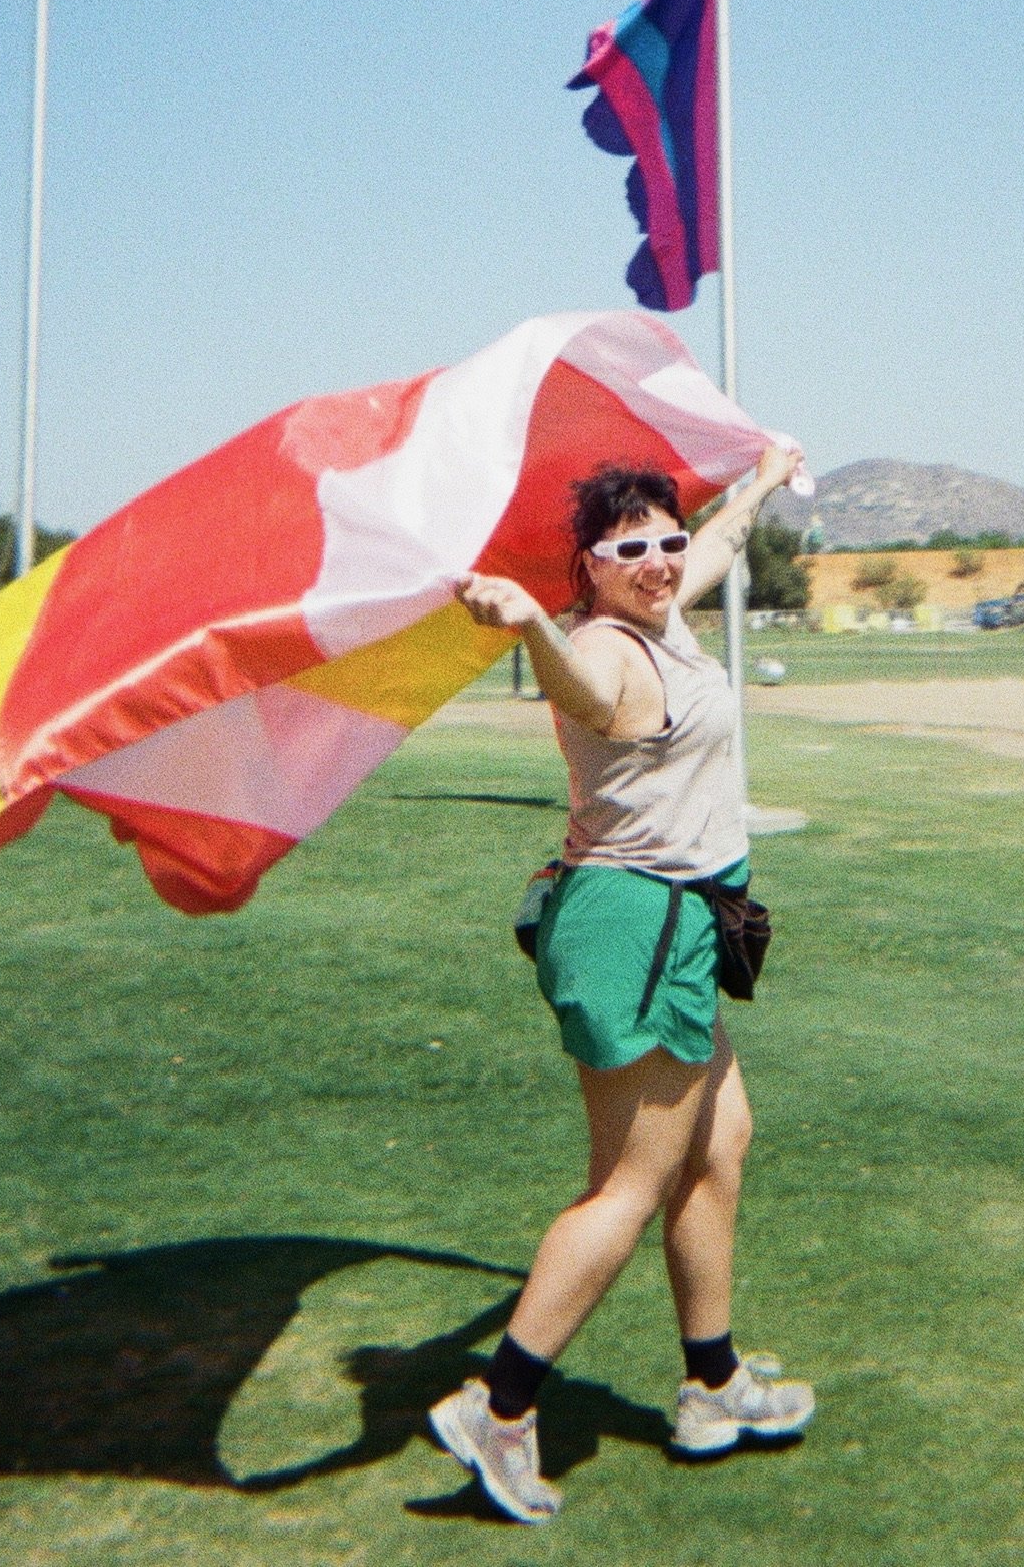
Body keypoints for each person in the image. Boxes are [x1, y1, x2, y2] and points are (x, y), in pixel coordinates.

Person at [427, 444, 815, 1522]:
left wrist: (763, 481)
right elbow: (588, 691)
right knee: (627, 1184)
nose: (656, 558)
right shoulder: (606, 645)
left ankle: (712, 1382)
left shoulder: (663, 608)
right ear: (589, 566)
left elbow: (720, 544)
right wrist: (533, 625)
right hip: (633, 926)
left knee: (721, 1137)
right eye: (628, 545)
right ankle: (498, 1410)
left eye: (666, 539)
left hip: (674, 923)